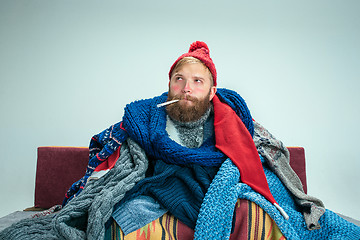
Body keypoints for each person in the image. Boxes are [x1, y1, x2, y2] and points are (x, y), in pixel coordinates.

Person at [1, 41, 359, 240]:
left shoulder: (234, 123)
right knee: (120, 218)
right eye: (179, 79)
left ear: (212, 89)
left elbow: (264, 159)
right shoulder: (145, 119)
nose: (187, 88)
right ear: (169, 84)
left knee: (253, 212)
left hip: (214, 188)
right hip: (157, 189)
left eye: (197, 81)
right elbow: (110, 161)